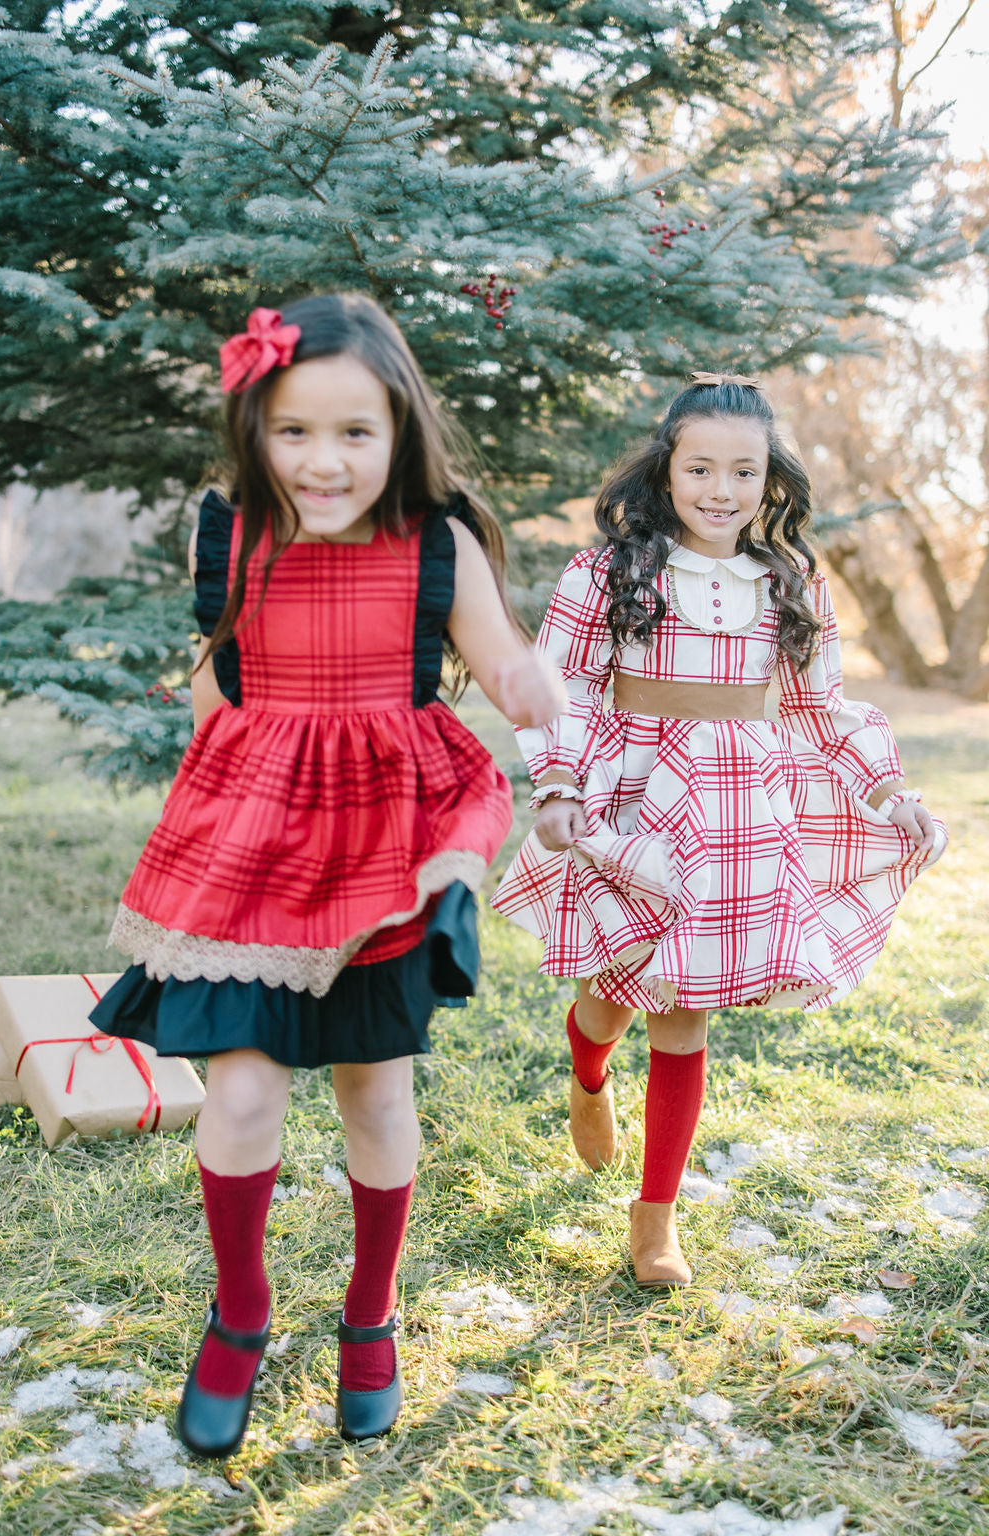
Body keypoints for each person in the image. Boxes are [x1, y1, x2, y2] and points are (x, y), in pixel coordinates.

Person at [88, 293, 566, 1457]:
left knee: (373, 1092)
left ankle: (370, 1315)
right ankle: (240, 1317)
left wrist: (533, 697)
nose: (323, 459)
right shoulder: (231, 531)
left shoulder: (433, 543)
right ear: (255, 427)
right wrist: (218, 799)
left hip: (385, 853)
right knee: (242, 1094)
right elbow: (218, 687)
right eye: (294, 430)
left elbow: (500, 658)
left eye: (356, 432)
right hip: (255, 851)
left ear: (400, 431)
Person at [492, 372, 946, 1289]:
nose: (720, 490)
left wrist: (888, 793)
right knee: (611, 996)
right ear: (666, 472)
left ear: (769, 480)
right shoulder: (609, 572)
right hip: (629, 794)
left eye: (743, 472)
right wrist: (555, 784)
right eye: (701, 468)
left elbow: (820, 708)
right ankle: (587, 1077)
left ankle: (654, 1216)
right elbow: (563, 688)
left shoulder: (790, 580)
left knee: (684, 1008)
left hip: (736, 810)